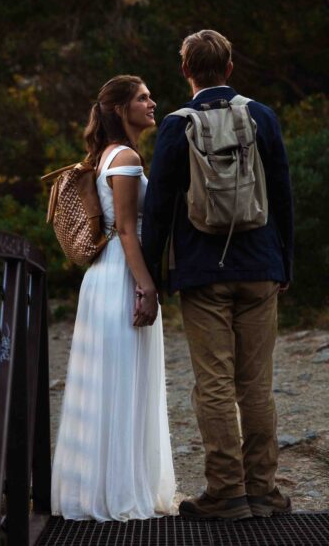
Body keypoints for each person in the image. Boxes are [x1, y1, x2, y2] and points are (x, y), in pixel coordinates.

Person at [142, 30, 294, 521]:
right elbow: (284, 196)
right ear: (230, 69)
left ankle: (227, 492)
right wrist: (283, 263)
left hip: (203, 272)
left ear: (186, 71)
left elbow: (160, 207)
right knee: (256, 385)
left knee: (213, 384)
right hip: (260, 266)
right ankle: (265, 492)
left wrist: (150, 274)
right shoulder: (261, 116)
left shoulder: (175, 125)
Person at [50, 75, 176, 521]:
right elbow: (125, 228)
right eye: (143, 97)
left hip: (106, 279)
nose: (152, 102)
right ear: (122, 109)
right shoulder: (125, 158)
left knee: (116, 384)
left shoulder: (106, 155)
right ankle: (119, 495)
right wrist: (146, 286)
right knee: (124, 384)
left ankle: (103, 489)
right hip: (123, 276)